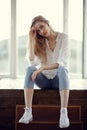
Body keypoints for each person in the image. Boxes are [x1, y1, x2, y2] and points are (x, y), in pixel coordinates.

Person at [19, 15, 70, 128]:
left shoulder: (63, 38)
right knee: (29, 69)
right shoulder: (40, 42)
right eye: (38, 31)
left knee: (63, 69)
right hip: (44, 81)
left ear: (47, 23)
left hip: (58, 81)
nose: (41, 32)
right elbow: (32, 63)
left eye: (42, 27)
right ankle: (28, 112)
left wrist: (42, 68)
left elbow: (63, 62)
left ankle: (63, 113)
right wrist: (32, 40)